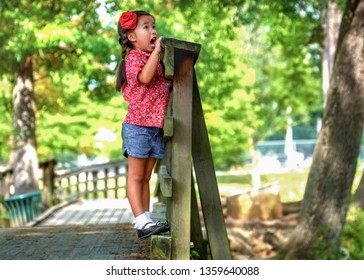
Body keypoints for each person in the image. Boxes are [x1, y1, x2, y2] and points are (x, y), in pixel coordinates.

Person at [116, 10, 170, 240]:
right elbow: (145, 79)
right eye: (146, 27)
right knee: (136, 177)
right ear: (132, 37)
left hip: (155, 127)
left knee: (147, 177)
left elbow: (164, 81)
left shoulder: (153, 60)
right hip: (138, 126)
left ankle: (146, 220)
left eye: (153, 26)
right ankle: (140, 220)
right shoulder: (135, 58)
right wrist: (157, 52)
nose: (153, 31)